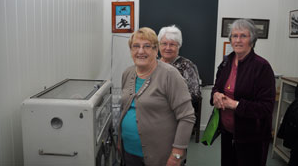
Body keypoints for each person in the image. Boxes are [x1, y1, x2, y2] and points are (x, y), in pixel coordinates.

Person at [118, 27, 195, 166]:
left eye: (147, 46)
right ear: (131, 50)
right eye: (136, 46)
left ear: (155, 50)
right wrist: (119, 140)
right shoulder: (127, 73)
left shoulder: (170, 74)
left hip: (160, 156)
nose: (141, 51)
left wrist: (177, 154)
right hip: (128, 152)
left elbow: (187, 117)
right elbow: (125, 109)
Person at [211, 19, 275, 166]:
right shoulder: (226, 62)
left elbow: (266, 108)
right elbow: (217, 87)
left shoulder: (262, 67)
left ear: (252, 40)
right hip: (227, 133)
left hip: (252, 138)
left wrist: (235, 105)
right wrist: (215, 95)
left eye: (243, 36)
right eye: (234, 36)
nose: (238, 40)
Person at [158, 25, 202, 141]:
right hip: (155, 119)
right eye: (164, 43)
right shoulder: (153, 65)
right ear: (158, 45)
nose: (168, 48)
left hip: (176, 120)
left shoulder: (187, 66)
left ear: (179, 46)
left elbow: (195, 94)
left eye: (172, 44)